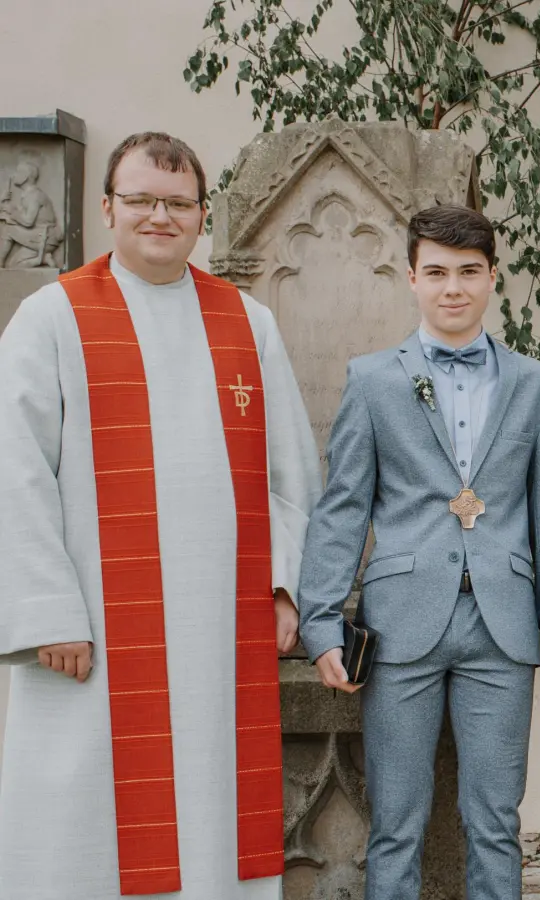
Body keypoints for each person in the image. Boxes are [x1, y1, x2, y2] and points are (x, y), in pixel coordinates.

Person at [0, 132, 320, 898]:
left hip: (219, 630)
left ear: (201, 216)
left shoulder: (248, 323)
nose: (159, 216)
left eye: (177, 204)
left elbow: (292, 477)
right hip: (94, 632)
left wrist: (281, 588)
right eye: (141, 200)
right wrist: (49, 611)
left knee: (209, 812)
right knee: (88, 829)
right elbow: (15, 472)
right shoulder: (52, 318)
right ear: (108, 208)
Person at [296, 205, 540, 900]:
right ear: (414, 280)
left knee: (493, 820)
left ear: (491, 279)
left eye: (469, 273)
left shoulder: (537, 384)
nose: (454, 288)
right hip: (400, 625)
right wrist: (322, 620)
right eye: (438, 273)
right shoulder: (373, 380)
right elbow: (343, 509)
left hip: (503, 626)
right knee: (395, 820)